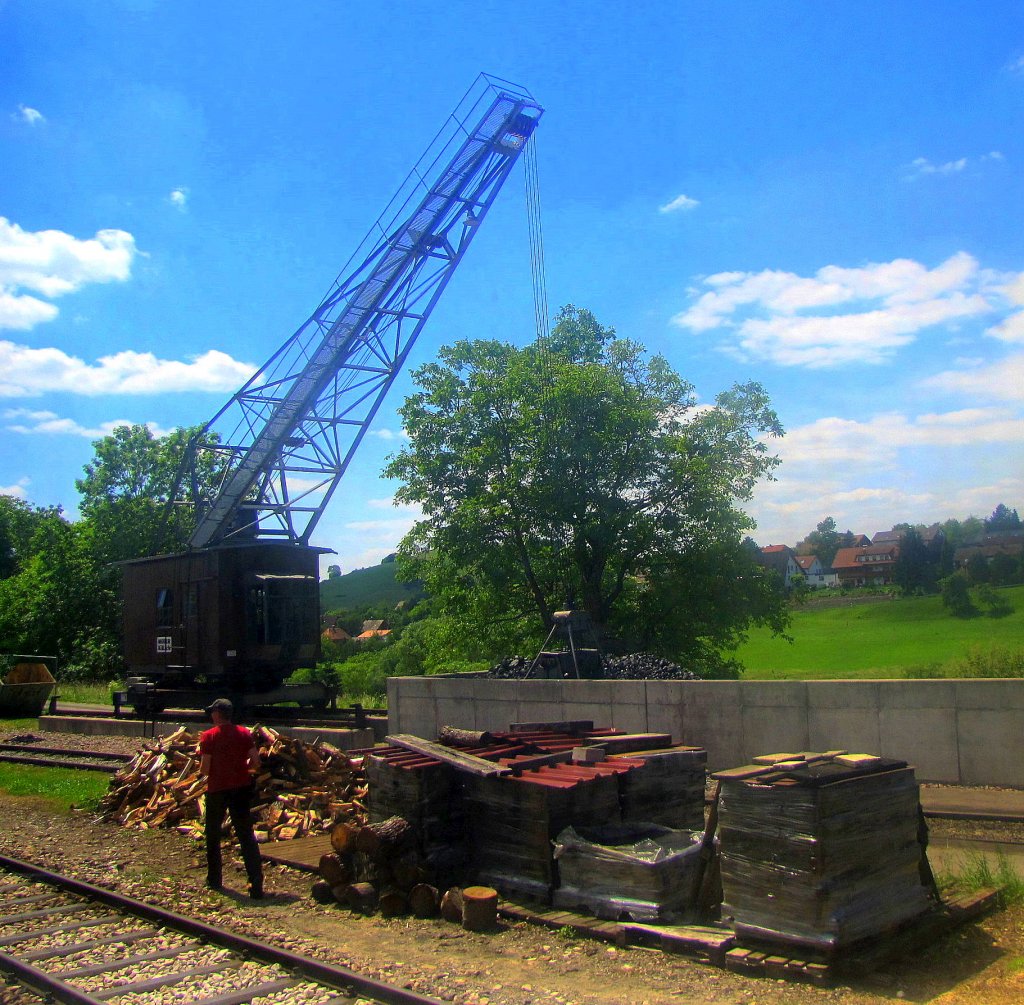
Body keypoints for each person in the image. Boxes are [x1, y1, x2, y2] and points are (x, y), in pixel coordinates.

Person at [199, 697, 264, 898]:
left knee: (213, 834)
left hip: (217, 789)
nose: (211, 715)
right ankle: (256, 883)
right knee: (246, 835)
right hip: (240, 789)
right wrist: (244, 770)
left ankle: (214, 879)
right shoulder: (244, 733)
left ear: (218, 714)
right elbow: (257, 762)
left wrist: (206, 773)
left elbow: (205, 768)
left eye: (212, 712)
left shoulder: (208, 736)